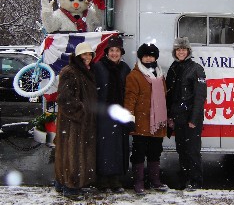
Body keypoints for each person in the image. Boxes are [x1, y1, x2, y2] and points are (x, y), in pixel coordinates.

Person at [54, 42, 97, 200]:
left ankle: (61, 183)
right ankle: (70, 186)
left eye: (90, 54)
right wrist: (81, 112)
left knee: (69, 154)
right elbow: (64, 98)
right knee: (72, 154)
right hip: (73, 123)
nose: (87, 57)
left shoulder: (84, 71)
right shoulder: (70, 71)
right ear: (77, 56)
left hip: (79, 123)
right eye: (84, 54)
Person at [124, 43, 168, 195]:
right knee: (139, 153)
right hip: (141, 122)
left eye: (151, 55)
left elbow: (164, 97)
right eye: (145, 56)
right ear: (141, 57)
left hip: (157, 123)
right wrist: (129, 118)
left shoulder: (160, 75)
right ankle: (138, 182)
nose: (149, 58)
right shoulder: (134, 75)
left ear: (155, 57)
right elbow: (130, 99)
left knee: (155, 152)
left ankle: (155, 181)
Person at [165, 37, 207, 191]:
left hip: (190, 118)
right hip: (178, 117)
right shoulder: (173, 68)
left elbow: (200, 96)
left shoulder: (196, 69)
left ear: (188, 51)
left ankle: (196, 181)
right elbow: (169, 94)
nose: (181, 52)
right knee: (181, 150)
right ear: (175, 52)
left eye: (183, 49)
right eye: (178, 49)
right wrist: (169, 115)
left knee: (192, 151)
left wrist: (194, 119)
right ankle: (184, 178)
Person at [93, 36, 134, 193]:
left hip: (120, 113)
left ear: (121, 52)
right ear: (107, 52)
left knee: (119, 148)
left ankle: (116, 180)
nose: (114, 53)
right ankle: (103, 180)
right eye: (112, 50)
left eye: (117, 51)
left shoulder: (125, 68)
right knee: (104, 148)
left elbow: (129, 93)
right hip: (104, 114)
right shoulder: (98, 67)